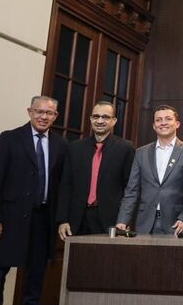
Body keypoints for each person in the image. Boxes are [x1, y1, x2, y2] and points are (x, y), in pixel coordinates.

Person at [0, 96, 68, 305]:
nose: (43, 117)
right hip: (8, 219)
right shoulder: (10, 138)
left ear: (55, 116)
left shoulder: (61, 144)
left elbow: (63, 184)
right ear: (30, 112)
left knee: (36, 272)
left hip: (42, 218)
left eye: (49, 113)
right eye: (39, 111)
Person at [56, 101, 134, 240]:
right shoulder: (75, 148)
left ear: (114, 121)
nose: (100, 121)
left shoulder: (125, 148)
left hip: (111, 220)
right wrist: (63, 219)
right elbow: (66, 185)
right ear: (91, 119)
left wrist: (124, 220)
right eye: (96, 116)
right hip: (77, 219)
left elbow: (130, 188)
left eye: (105, 117)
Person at [115, 105, 183, 235]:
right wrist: (123, 220)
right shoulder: (141, 153)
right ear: (154, 126)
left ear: (177, 124)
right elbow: (132, 191)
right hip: (144, 222)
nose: (163, 123)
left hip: (176, 223)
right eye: (158, 120)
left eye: (168, 119)